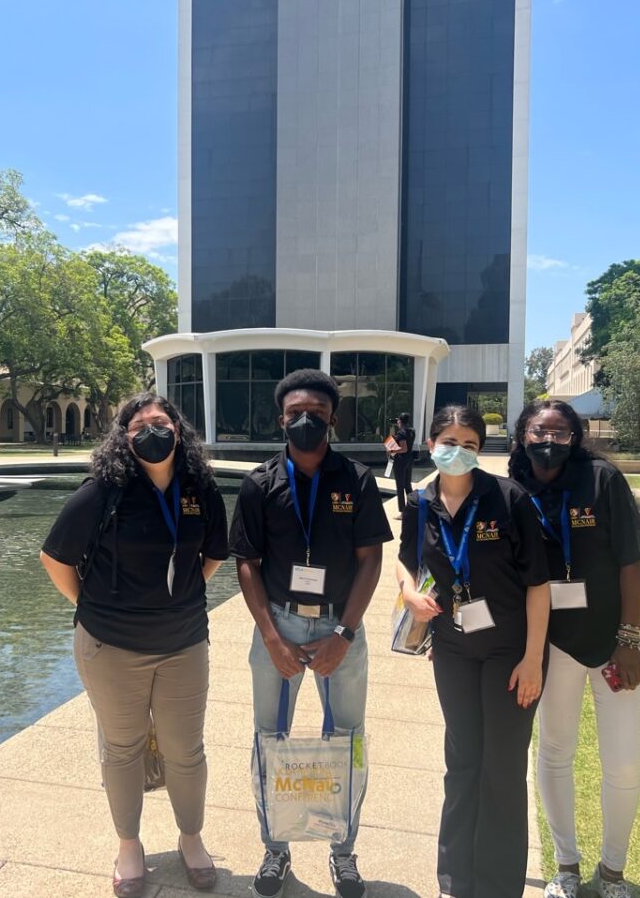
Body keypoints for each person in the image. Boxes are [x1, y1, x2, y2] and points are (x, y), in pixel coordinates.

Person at [39, 393, 229, 897]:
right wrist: (94, 608)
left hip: (184, 642)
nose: (151, 430)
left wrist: (184, 593)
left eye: (160, 421)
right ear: (123, 439)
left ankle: (192, 839)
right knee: (122, 750)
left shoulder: (199, 488)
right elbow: (55, 557)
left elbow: (212, 554)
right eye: (138, 425)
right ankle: (129, 845)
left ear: (178, 429)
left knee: (185, 750)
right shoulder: (104, 491)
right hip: (111, 646)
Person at [230, 369, 393, 898]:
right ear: (280, 419)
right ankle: (275, 847)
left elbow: (371, 559)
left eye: (316, 415)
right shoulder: (260, 483)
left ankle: (343, 851)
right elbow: (247, 563)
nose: (305, 422)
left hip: (337, 626)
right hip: (278, 622)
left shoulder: (357, 480)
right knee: (268, 739)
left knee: (347, 742)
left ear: (333, 421)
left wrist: (345, 632)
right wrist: (272, 637)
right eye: (295, 414)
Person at [396, 405, 551, 898]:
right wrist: (407, 593)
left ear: (481, 450)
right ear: (431, 443)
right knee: (462, 762)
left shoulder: (509, 498)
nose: (457, 451)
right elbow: (405, 562)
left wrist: (532, 660)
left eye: (469, 444)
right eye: (449, 440)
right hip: (454, 651)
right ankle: (455, 880)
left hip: (510, 652)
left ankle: (499, 885)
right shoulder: (421, 503)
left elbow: (539, 586)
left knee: (502, 768)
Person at [508, 400, 640, 898]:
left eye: (560, 432)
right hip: (552, 643)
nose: (548, 440)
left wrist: (629, 638)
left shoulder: (601, 480)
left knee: (623, 761)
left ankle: (612, 873)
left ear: (575, 437)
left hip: (615, 643)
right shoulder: (513, 487)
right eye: (538, 430)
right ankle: (566, 868)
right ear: (522, 434)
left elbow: (631, 561)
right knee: (554, 751)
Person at [388, 412, 416, 520]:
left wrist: (392, 449)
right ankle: (413, 508)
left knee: (400, 487)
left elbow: (404, 448)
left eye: (398, 421)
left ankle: (403, 512)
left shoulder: (401, 433)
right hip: (409, 460)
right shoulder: (412, 431)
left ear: (399, 421)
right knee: (408, 486)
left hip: (400, 462)